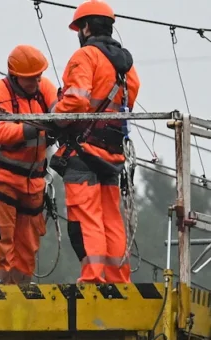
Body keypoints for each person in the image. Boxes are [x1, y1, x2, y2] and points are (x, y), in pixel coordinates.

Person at [50, 0, 140, 284]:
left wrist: (53, 116)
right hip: (112, 154)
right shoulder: (126, 66)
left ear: (86, 27)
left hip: (83, 150)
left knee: (86, 217)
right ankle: (117, 278)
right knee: (111, 219)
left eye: (79, 27)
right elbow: (129, 101)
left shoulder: (85, 57)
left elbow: (76, 100)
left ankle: (93, 278)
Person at [0, 46, 59, 284]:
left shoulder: (42, 87)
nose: (37, 80)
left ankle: (19, 300)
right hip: (4, 180)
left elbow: (59, 112)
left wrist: (56, 122)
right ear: (15, 77)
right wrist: (36, 126)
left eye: (39, 75)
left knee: (26, 251)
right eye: (31, 77)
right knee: (0, 245)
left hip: (33, 184)